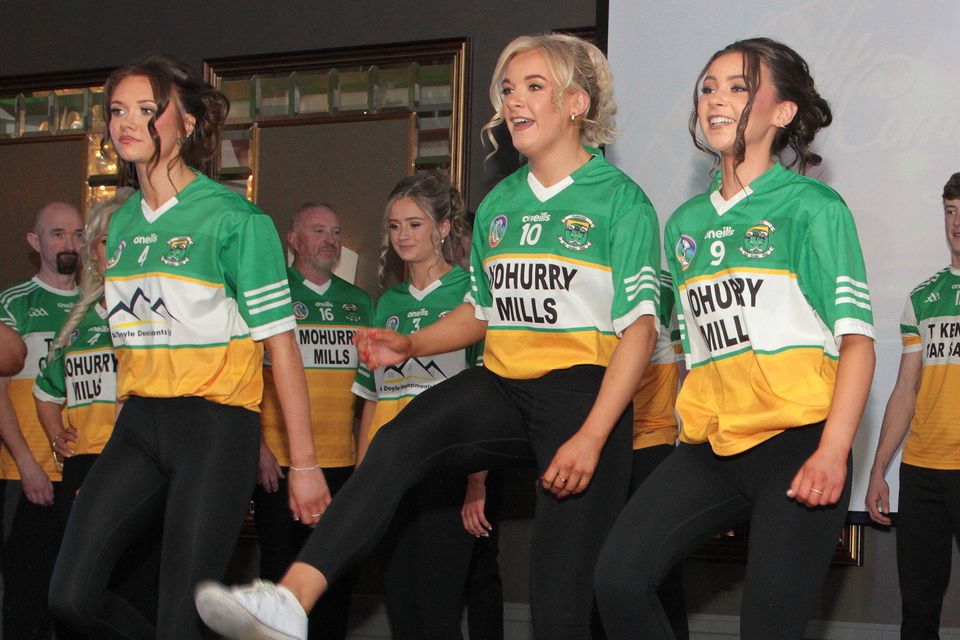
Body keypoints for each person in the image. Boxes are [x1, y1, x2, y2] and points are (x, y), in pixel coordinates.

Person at [196, 32, 661, 640]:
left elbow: (641, 332)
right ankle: (291, 600)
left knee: (559, 607)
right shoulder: (500, 205)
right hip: (503, 383)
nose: (514, 100)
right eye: (508, 88)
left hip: (582, 394)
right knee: (397, 440)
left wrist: (594, 435)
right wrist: (412, 345)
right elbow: (484, 314)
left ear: (576, 104)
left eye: (534, 86)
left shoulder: (620, 201)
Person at [594, 37, 876, 640]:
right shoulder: (686, 224)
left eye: (740, 86)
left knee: (768, 628)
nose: (717, 98)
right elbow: (696, 355)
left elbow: (857, 343)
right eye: (708, 86)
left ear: (783, 112)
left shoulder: (813, 208)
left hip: (798, 444)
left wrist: (832, 451)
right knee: (617, 579)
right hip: (710, 448)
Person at [47, 54, 326, 640]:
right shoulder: (121, 226)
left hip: (216, 429)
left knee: (181, 620)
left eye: (147, 110)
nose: (128, 122)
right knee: (69, 597)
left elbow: (283, 349)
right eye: (118, 110)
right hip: (140, 421)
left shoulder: (234, 219)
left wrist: (303, 466)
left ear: (187, 122)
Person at [350, 172, 499, 640]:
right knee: (402, 612)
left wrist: (477, 483)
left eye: (415, 224)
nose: (403, 236)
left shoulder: (469, 295)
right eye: (394, 226)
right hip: (391, 473)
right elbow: (373, 399)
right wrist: (361, 478)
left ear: (442, 227)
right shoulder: (386, 304)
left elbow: (487, 396)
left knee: (438, 616)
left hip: (445, 469)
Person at [35, 189, 161, 635]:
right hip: (83, 466)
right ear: (93, 251)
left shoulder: (155, 314)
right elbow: (45, 390)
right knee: (76, 595)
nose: (116, 249)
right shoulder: (78, 321)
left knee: (138, 587)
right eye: (107, 240)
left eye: (125, 238)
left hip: (139, 466)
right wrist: (55, 434)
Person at [255, 202, 371, 640]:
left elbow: (370, 390)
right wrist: (259, 449)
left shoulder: (360, 303)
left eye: (336, 232)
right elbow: (245, 382)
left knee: (335, 576)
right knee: (279, 576)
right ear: (294, 240)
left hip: (341, 463)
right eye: (319, 230)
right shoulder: (272, 295)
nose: (331, 240)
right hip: (281, 465)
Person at [865, 172, 960, 640]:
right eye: (950, 210)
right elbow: (905, 390)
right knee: (918, 610)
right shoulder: (923, 297)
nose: (957, 222)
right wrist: (879, 468)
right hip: (922, 471)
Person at [0, 200, 82, 640]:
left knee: (73, 599)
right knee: (26, 599)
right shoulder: (12, 304)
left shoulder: (101, 307)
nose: (70, 243)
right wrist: (28, 466)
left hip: (82, 474)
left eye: (78, 234)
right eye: (57, 234)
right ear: (35, 242)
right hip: (27, 475)